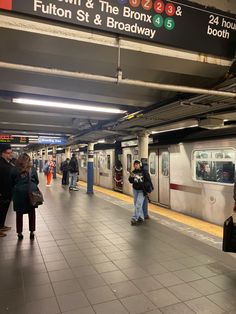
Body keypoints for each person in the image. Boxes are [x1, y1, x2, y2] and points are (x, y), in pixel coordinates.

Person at [11, 153, 39, 240]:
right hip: (30, 195)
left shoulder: (14, 169)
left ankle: (19, 233)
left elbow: (11, 182)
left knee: (19, 214)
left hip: (18, 195)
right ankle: (32, 232)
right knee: (32, 213)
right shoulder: (32, 169)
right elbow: (37, 181)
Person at [129, 160, 153, 225]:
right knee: (136, 203)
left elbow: (149, 180)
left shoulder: (144, 172)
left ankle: (134, 218)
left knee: (138, 204)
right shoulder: (133, 172)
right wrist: (131, 177)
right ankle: (141, 217)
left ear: (140, 165)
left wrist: (148, 188)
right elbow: (130, 181)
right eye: (135, 164)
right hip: (135, 190)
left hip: (142, 190)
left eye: (137, 164)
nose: (136, 165)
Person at [0, 144, 14, 237]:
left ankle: (1, 226)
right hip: (2, 192)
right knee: (0, 210)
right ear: (3, 154)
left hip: (7, 192)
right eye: (8, 153)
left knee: (4, 210)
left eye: (11, 153)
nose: (10, 155)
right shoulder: (1, 164)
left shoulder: (7, 162)